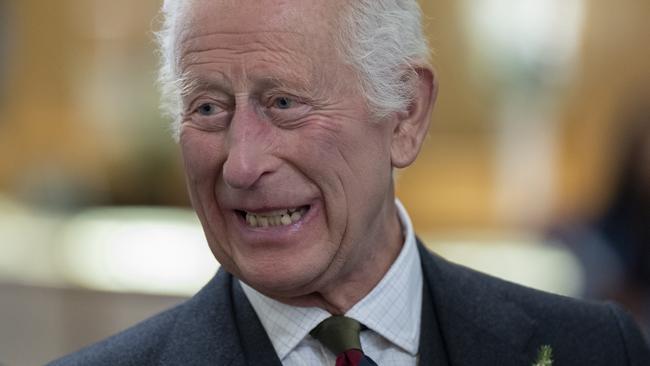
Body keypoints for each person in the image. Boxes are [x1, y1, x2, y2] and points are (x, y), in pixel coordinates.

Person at [50, 0, 650, 365]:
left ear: (406, 114)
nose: (240, 165)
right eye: (207, 109)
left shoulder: (590, 350)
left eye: (283, 102)